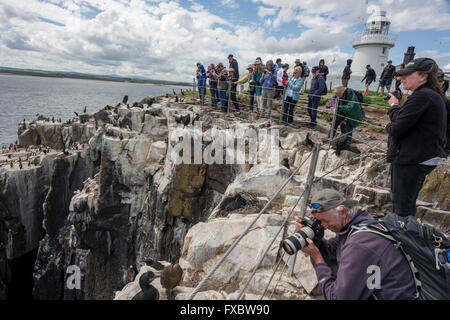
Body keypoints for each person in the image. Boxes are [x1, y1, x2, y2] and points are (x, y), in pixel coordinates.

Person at [295, 188, 417, 300]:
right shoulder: (359, 223)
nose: (325, 227)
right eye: (320, 222)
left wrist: (318, 259)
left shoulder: (359, 244)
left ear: (342, 211)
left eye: (325, 221)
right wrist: (312, 235)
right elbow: (330, 250)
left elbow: (337, 298)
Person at [386, 58, 447, 217]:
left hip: (411, 158)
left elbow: (397, 129)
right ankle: (404, 232)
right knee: (407, 202)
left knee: (401, 206)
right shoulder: (434, 95)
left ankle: (402, 237)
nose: (401, 78)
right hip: (424, 155)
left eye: (407, 74)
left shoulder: (422, 96)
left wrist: (393, 107)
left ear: (423, 76)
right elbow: (411, 121)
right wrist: (402, 107)